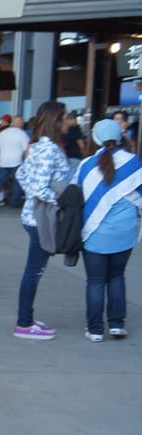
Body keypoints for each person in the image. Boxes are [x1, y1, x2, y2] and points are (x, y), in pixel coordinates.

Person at [75, 118, 140, 341]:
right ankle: (116, 325)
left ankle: (94, 330)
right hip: (125, 232)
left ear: (94, 138)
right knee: (117, 276)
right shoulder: (135, 163)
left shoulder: (86, 165)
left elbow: (76, 197)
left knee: (95, 281)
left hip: (94, 233)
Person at [13, 101, 70, 340]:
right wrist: (59, 201)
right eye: (66, 117)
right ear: (56, 121)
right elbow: (38, 187)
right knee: (34, 272)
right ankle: (24, 324)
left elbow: (21, 174)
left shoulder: (38, 147)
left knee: (34, 271)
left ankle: (27, 320)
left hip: (34, 216)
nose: (69, 121)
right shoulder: (49, 150)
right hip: (41, 219)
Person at [0, 115, 29, 208]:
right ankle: (14, 202)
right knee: (17, 182)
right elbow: (26, 150)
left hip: (3, 161)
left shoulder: (3, 133)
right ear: (20, 123)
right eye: (22, 122)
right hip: (17, 161)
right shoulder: (22, 134)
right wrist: (27, 162)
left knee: (0, 181)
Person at [63, 111, 87, 178]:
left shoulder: (62, 130)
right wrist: (84, 154)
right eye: (75, 119)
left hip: (65, 158)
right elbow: (81, 144)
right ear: (70, 120)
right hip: (75, 157)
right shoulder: (75, 130)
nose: (76, 121)